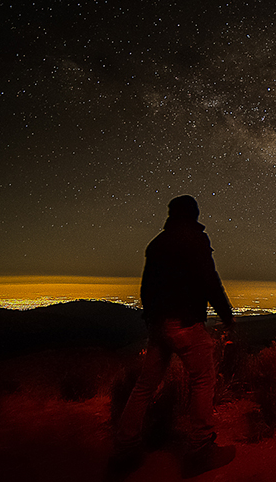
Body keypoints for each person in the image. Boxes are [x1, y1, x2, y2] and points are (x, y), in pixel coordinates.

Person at [109, 195, 236, 479]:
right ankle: (201, 448)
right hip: (185, 323)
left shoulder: (156, 244)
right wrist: (226, 315)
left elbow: (145, 287)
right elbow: (209, 281)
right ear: (193, 213)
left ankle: (124, 449)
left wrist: (153, 320)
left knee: (144, 385)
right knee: (203, 379)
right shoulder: (194, 239)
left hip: (158, 324)